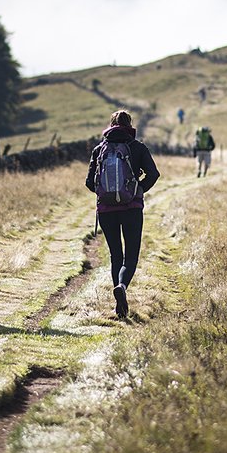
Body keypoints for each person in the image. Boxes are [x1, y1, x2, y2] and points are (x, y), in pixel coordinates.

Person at [86, 110, 161, 319]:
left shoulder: (99, 149)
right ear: (130, 126)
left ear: (110, 125)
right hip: (132, 209)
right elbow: (154, 174)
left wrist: (106, 194)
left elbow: (89, 182)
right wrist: (137, 190)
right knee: (131, 256)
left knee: (115, 256)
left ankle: (119, 305)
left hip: (106, 211)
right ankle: (122, 287)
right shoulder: (137, 147)